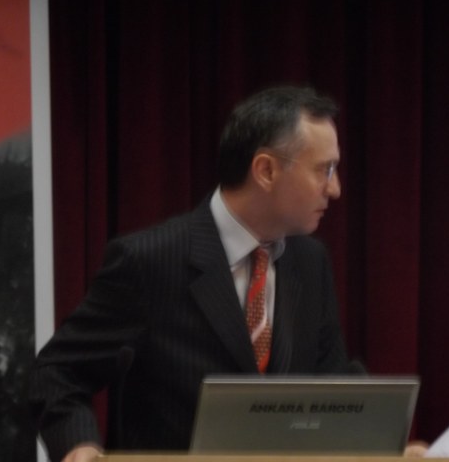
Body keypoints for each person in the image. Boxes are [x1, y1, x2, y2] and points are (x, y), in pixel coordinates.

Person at [30, 86, 358, 462]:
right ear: (266, 170)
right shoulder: (149, 261)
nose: (335, 188)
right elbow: (57, 372)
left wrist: (387, 443)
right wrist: (79, 445)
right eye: (324, 169)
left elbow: (333, 386)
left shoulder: (310, 261)